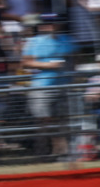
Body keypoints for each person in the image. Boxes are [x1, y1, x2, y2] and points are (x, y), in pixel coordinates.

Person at [21, 15, 76, 157]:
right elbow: (26, 62)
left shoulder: (67, 40)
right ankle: (46, 151)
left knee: (63, 119)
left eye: (52, 24)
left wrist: (70, 74)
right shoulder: (33, 41)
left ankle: (61, 150)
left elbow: (74, 59)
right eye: (46, 24)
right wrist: (48, 65)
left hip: (63, 85)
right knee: (43, 120)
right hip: (41, 87)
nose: (49, 26)